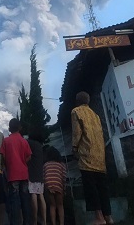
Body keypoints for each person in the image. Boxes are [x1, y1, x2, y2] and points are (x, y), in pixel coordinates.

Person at [71, 91, 115, 225]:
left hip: (87, 157)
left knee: (91, 188)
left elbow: (77, 132)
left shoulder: (76, 111)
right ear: (88, 101)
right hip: (100, 157)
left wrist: (74, 148)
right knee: (102, 188)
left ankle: (99, 218)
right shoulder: (95, 115)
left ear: (77, 101)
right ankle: (108, 217)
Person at [0, 118, 32, 225]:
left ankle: (15, 222)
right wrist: (22, 162)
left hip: (12, 174)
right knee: (25, 200)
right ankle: (27, 222)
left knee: (14, 201)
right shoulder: (24, 141)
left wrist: (8, 164)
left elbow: (3, 157)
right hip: (24, 173)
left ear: (9, 128)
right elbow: (29, 156)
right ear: (20, 128)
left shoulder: (6, 141)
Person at [26, 128, 46, 225]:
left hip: (32, 173)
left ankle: (34, 220)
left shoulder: (31, 143)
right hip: (40, 174)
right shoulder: (40, 146)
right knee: (41, 195)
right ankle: (44, 220)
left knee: (33, 194)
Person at [43, 146, 67, 225]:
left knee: (52, 205)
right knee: (60, 205)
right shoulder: (61, 165)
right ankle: (62, 223)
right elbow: (63, 177)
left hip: (49, 185)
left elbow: (44, 176)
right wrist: (64, 189)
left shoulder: (46, 165)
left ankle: (53, 223)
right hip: (58, 185)